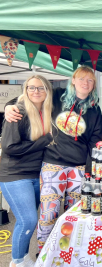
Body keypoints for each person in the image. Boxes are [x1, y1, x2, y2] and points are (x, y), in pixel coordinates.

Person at [5, 66, 102, 252]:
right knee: (48, 213)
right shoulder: (57, 95)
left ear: (93, 86)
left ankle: (68, 252)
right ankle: (44, 253)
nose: (85, 83)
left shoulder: (94, 109)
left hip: (79, 168)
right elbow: (29, 98)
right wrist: (8, 106)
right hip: (53, 164)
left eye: (90, 80)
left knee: (74, 215)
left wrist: (95, 168)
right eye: (81, 78)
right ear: (73, 81)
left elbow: (95, 140)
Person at [0, 75, 53, 267]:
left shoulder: (47, 112)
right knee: (28, 220)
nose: (36, 92)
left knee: (29, 220)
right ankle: (16, 260)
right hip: (15, 175)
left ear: (47, 90)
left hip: (36, 174)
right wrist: (43, 142)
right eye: (31, 88)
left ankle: (23, 259)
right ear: (25, 90)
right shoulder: (18, 112)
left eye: (40, 88)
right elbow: (9, 148)